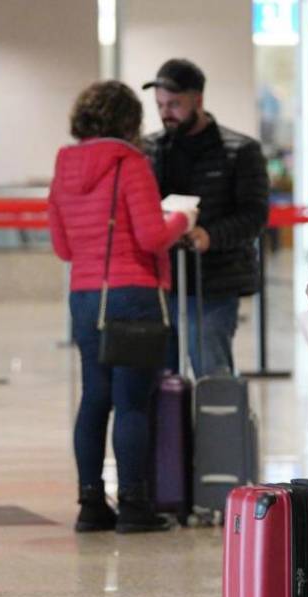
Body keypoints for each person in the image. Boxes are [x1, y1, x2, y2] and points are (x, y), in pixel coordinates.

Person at [48, 81, 199, 534]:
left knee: (94, 398)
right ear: (129, 121)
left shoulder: (64, 165)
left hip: (85, 295)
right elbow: (152, 237)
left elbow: (61, 246)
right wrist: (183, 218)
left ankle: (91, 503)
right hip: (132, 294)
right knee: (132, 400)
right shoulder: (130, 163)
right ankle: (134, 504)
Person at [142, 59, 270, 377]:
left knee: (212, 372)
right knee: (160, 380)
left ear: (197, 100)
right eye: (160, 105)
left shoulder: (240, 151)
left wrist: (209, 236)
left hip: (215, 282)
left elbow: (254, 215)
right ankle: (171, 430)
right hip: (161, 280)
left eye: (175, 104)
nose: (166, 112)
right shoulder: (149, 149)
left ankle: (217, 428)